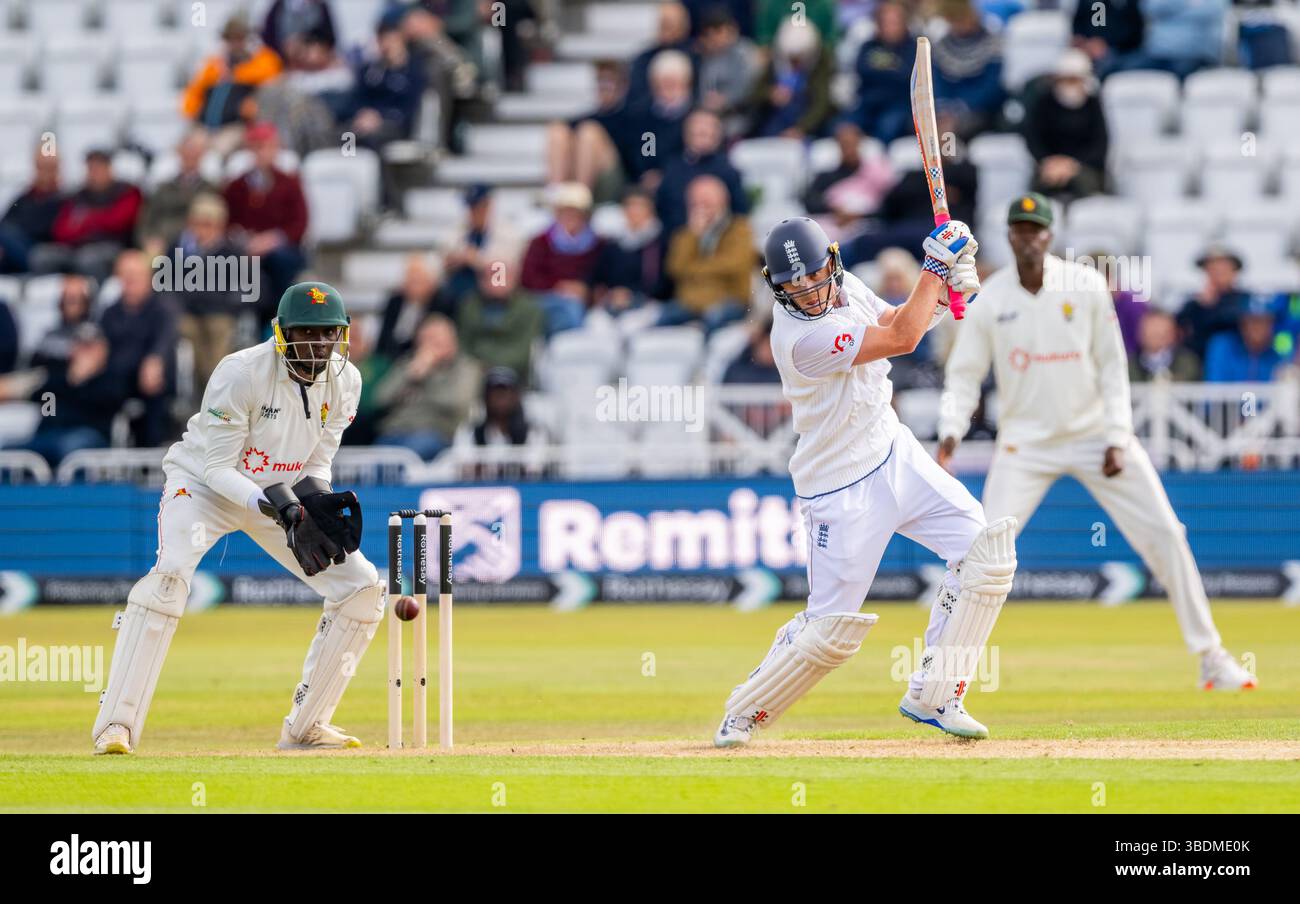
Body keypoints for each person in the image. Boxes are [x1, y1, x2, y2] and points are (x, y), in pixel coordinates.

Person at [938, 193, 1256, 692]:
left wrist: (1116, 435)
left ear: (1051, 235)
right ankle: (947, 675)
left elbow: (1112, 367)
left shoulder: (1084, 285)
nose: (1029, 238)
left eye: (1037, 229)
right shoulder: (991, 299)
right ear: (1009, 236)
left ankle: (1211, 656)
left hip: (1094, 435)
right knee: (986, 554)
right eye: (1020, 229)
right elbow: (964, 375)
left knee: (1167, 535)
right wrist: (950, 431)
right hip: (1025, 444)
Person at [712, 214, 1005, 750]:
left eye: (814, 275)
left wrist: (941, 294)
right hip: (839, 485)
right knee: (830, 632)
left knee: (985, 553)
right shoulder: (801, 339)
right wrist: (936, 267)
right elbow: (901, 337)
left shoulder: (845, 286)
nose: (808, 291)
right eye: (793, 285)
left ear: (833, 259)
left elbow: (897, 318)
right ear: (777, 289)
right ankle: (745, 709)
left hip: (893, 449)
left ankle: (937, 693)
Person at [92, 282, 382, 754]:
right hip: (204, 487)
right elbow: (217, 469)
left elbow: (316, 463)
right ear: (282, 333)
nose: (318, 345)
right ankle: (115, 726)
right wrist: (284, 509)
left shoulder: (347, 380)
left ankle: (305, 728)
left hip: (280, 495)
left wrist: (316, 501)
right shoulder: (241, 372)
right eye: (306, 333)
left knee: (363, 588)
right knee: (168, 582)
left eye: (328, 334)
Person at [223, 122, 309, 322]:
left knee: (278, 261)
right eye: (256, 147)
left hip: (281, 249)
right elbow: (228, 220)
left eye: (266, 146)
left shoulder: (290, 183)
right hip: (246, 247)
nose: (261, 152)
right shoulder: (237, 186)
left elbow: (300, 224)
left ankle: (277, 317)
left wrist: (272, 239)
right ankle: (244, 320)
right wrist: (243, 237)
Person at [373, 314, 480, 461]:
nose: (429, 346)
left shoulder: (466, 367)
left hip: (437, 433)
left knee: (404, 457)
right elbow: (380, 398)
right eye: (425, 340)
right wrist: (409, 376)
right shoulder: (409, 364)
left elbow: (457, 401)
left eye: (436, 340)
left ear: (452, 342)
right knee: (373, 459)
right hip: (394, 432)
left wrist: (428, 377)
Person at [99, 251, 179, 447]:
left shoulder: (162, 308)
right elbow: (102, 346)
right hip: (115, 378)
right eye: (125, 276)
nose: (130, 281)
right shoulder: (111, 312)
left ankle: (153, 450)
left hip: (152, 379)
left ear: (148, 278)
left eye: (135, 276)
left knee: (154, 386)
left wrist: (155, 359)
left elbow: (165, 340)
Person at [171, 194, 245, 396]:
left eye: (208, 224)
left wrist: (225, 302)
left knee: (218, 329)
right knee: (186, 330)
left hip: (220, 312)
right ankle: (200, 388)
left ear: (220, 226)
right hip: (188, 312)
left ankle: (216, 388)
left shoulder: (233, 252)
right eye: (198, 224)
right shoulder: (178, 250)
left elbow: (247, 287)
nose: (202, 230)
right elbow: (167, 285)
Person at [661, 175, 754, 333]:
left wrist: (694, 268)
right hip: (689, 304)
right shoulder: (685, 234)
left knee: (712, 321)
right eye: (696, 203)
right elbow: (675, 268)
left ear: (723, 201)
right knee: (659, 323)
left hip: (729, 301)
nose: (702, 208)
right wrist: (693, 236)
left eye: (707, 203)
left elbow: (734, 265)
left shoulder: (740, 229)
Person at [33, 150, 143, 282]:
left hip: (113, 246)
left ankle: (95, 299)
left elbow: (118, 221)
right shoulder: (78, 196)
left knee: (89, 259)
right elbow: (61, 231)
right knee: (42, 256)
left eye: (98, 168)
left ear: (109, 169)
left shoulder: (127, 191)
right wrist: (90, 223)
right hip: (76, 247)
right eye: (91, 169)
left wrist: (86, 221)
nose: (94, 174)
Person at [182, 14, 283, 152]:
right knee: (189, 150)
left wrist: (234, 74)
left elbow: (271, 70)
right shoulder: (214, 65)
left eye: (239, 39)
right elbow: (194, 92)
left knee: (219, 150)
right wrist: (195, 112)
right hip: (204, 126)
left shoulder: (258, 62)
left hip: (235, 126)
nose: (235, 44)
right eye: (231, 39)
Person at [520, 182, 603, 335]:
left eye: (575, 213)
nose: (570, 218)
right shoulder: (541, 242)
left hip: (582, 301)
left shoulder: (598, 244)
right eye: (565, 212)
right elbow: (528, 278)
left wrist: (585, 290)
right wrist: (558, 287)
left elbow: (601, 277)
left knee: (573, 310)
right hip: (544, 297)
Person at [1023, 51, 1107, 201]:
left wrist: (1072, 165)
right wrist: (1048, 161)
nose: (1069, 85)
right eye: (1064, 80)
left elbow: (1100, 144)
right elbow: (1033, 138)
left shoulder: (1093, 104)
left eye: (1073, 80)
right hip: (1050, 167)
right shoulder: (1043, 102)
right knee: (1039, 190)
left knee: (1083, 185)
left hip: (1084, 167)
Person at [654, 109, 749, 239]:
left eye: (709, 131)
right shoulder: (672, 167)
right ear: (686, 134)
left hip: (720, 241)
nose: (705, 135)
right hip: (677, 240)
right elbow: (662, 208)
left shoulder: (727, 170)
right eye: (699, 132)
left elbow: (740, 213)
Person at [457, 252, 544, 379]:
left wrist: (492, 364)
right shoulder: (469, 305)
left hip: (514, 374)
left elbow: (525, 349)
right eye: (490, 276)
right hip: (473, 372)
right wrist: (474, 365)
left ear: (514, 278)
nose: (496, 282)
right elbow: (463, 343)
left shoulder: (529, 308)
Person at [746, 17, 834, 140]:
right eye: (792, 59)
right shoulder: (775, 59)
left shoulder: (822, 60)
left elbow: (822, 101)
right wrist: (770, 93)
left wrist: (801, 128)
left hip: (809, 122)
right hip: (776, 121)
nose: (795, 64)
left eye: (799, 58)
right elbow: (754, 93)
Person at [137, 130, 222, 257]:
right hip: (161, 243)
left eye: (195, 151)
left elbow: (215, 221)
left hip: (196, 244)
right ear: (179, 152)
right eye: (188, 150)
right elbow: (146, 220)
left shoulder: (210, 189)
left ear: (202, 155)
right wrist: (148, 240)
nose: (191, 155)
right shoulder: (163, 188)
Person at [931, 0, 1004, 138]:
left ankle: (951, 156)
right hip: (946, 109)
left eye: (962, 17)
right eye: (955, 19)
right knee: (931, 125)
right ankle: (944, 155)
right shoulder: (941, 46)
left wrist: (961, 107)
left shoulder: (992, 44)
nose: (960, 23)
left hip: (981, 110)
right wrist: (945, 108)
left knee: (952, 129)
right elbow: (937, 84)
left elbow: (991, 87)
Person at [592, 187, 670, 313]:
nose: (634, 211)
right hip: (612, 303)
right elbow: (599, 277)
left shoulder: (660, 242)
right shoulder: (614, 243)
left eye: (640, 206)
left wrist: (630, 294)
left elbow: (663, 283)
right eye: (630, 206)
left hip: (647, 304)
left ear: (650, 210)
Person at [851, 0, 916, 143]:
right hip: (868, 103)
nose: (889, 27)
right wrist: (891, 71)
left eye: (894, 22)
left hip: (899, 105)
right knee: (843, 126)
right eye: (885, 22)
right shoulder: (868, 46)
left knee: (887, 127)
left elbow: (906, 77)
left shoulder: (913, 48)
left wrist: (880, 72)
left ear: (904, 24)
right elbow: (863, 71)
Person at [377, 254, 456, 360]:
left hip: (419, 357)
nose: (413, 286)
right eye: (410, 280)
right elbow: (383, 337)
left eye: (418, 281)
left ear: (431, 283)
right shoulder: (395, 302)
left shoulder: (442, 304)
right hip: (389, 357)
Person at [1177, 244, 1249, 362]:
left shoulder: (1246, 301)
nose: (1218, 273)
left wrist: (1208, 308)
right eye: (1212, 269)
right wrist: (1201, 306)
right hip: (1199, 365)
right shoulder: (1193, 306)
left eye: (1223, 268)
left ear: (1234, 271)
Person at [695, 5, 758, 138]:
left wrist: (726, 100)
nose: (715, 39)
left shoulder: (745, 53)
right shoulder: (707, 58)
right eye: (709, 34)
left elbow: (751, 90)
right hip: (713, 118)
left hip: (743, 117)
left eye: (719, 32)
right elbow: (703, 90)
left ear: (732, 29)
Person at [0, 147, 64, 274]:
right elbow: (6, 220)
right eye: (41, 167)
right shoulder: (25, 197)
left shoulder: (64, 199)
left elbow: (51, 231)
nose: (45, 173)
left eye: (50, 168)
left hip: (40, 253)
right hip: (14, 251)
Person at [1204, 296, 1285, 382]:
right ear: (1241, 322)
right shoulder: (1223, 346)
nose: (1257, 328)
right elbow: (1215, 388)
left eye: (1264, 321)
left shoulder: (1277, 360)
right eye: (1253, 320)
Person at [1128, 308, 1201, 382]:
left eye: (1160, 333)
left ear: (1173, 334)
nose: (1155, 335)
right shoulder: (1128, 366)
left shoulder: (1188, 362)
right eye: (1152, 333)